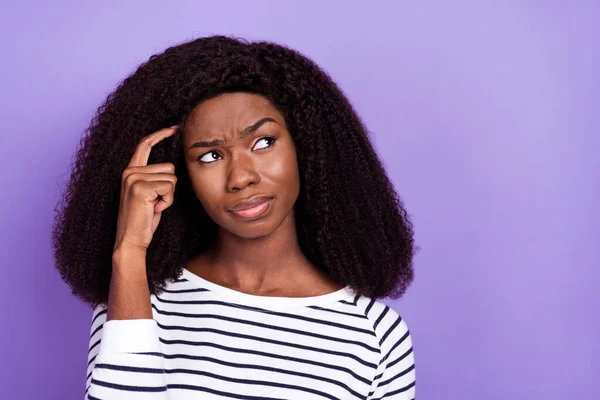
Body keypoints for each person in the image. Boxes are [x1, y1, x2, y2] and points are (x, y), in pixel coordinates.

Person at [52, 35, 417, 399]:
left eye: (263, 143)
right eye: (210, 156)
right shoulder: (136, 297)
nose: (241, 177)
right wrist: (129, 251)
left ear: (305, 146)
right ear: (179, 171)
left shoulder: (374, 333)